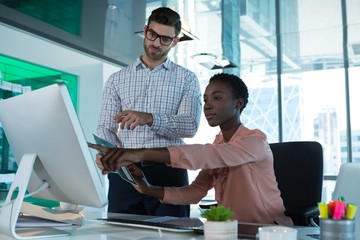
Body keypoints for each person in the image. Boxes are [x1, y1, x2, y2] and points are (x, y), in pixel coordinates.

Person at [90, 73, 294, 225]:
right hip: (230, 231)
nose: (207, 105)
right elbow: (196, 191)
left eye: (217, 98)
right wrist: (147, 188)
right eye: (205, 99)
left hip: (268, 230)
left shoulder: (255, 141)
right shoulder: (219, 143)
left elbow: (207, 155)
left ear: (238, 103)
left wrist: (138, 153)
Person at [96, 7, 202, 217]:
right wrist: (107, 154)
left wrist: (150, 119)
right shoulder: (117, 79)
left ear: (175, 42)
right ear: (145, 30)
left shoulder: (187, 79)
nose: (155, 43)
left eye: (165, 39)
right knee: (120, 234)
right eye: (152, 35)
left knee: (172, 234)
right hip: (125, 173)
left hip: (169, 172)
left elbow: (190, 126)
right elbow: (105, 127)